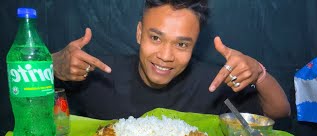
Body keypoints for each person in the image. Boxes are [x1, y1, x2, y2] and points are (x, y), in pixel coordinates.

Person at [52, 0, 290, 120]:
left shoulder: (213, 82)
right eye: (155, 37)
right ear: (139, 33)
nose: (165, 56)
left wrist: (258, 72)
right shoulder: (94, 72)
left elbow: (279, 112)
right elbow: (27, 86)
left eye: (182, 44)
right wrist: (52, 63)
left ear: (195, 45)